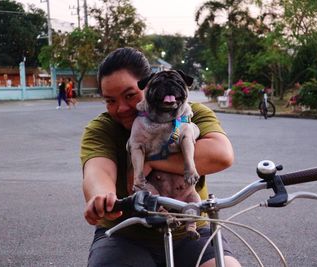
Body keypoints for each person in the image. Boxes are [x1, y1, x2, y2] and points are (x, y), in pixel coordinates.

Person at [80, 47, 241, 267]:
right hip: (125, 235)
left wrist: (147, 159)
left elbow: (220, 155)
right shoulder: (102, 128)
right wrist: (102, 197)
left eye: (129, 95)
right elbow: (98, 170)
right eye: (110, 101)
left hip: (191, 231)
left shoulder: (189, 112)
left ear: (148, 85)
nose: (121, 108)